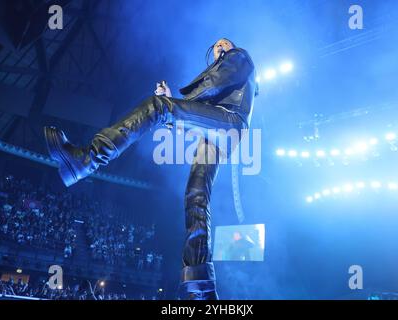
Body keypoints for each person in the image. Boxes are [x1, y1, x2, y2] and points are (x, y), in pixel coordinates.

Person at [44, 38, 257, 300]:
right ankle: (200, 281)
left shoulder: (238, 58)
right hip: (217, 131)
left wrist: (171, 104)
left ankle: (89, 158)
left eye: (225, 43)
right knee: (195, 194)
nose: (221, 46)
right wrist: (173, 104)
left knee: (157, 107)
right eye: (216, 45)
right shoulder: (217, 83)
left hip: (229, 122)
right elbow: (195, 116)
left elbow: (214, 85)